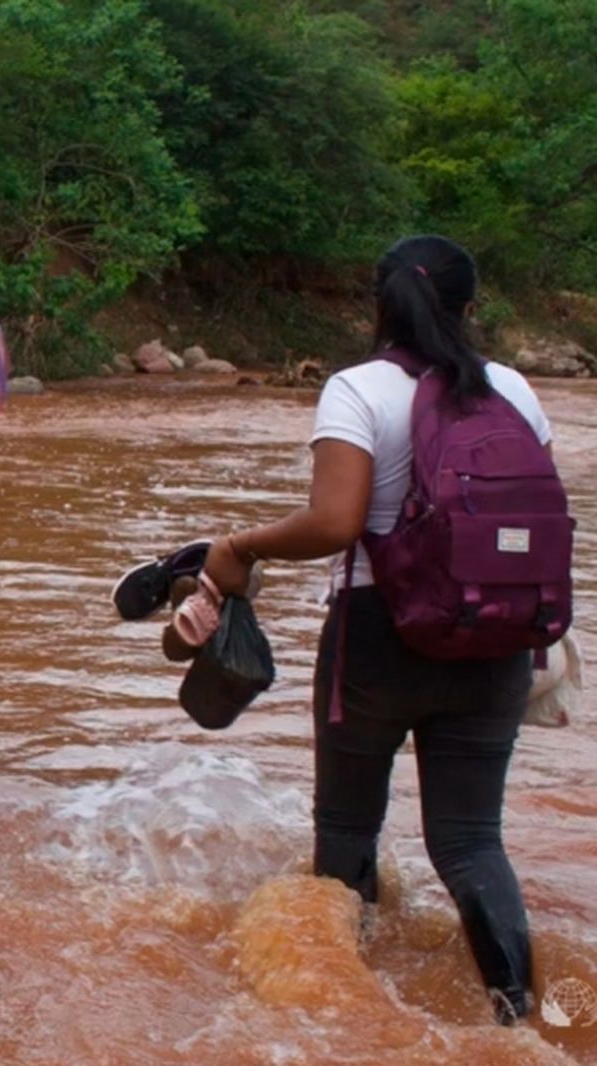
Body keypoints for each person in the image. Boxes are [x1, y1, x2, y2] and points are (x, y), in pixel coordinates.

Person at [202, 235, 553, 1023]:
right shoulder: (515, 390)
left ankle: (339, 1025)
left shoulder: (357, 389)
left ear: (379, 305)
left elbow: (335, 521)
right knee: (470, 843)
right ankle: (520, 1020)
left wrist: (239, 546)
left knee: (347, 830)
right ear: (471, 307)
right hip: (495, 641)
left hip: (378, 639)